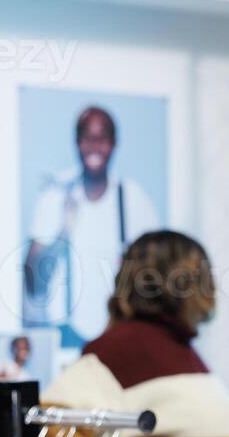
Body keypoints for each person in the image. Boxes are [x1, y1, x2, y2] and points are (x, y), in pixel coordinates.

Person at [42, 230, 229, 437]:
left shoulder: (175, 345)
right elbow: (53, 426)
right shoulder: (119, 350)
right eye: (202, 272)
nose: (213, 285)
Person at [25, 105, 161, 346]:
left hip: (121, 332)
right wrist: (63, 233)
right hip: (66, 338)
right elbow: (32, 280)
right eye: (87, 138)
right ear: (77, 142)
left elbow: (159, 274)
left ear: (114, 143)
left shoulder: (133, 198)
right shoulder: (55, 198)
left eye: (102, 138)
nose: (95, 146)